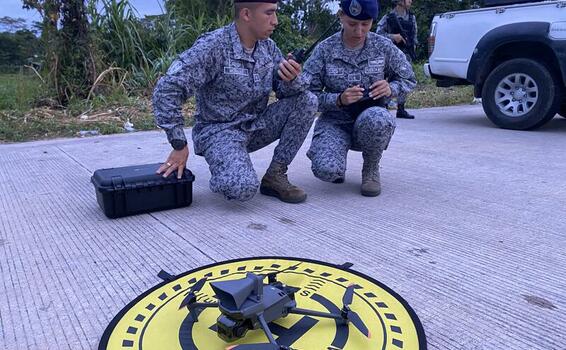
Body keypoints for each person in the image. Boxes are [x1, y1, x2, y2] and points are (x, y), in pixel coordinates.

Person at [152, 0, 318, 204]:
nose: (275, 21)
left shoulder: (268, 47)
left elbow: (284, 92)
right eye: (269, 13)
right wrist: (178, 143)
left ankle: (276, 174)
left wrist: (292, 79)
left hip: (256, 126)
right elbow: (167, 88)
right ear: (246, 14)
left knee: (307, 100)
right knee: (243, 189)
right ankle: (228, 164)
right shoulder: (213, 46)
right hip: (219, 132)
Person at [303, 0, 416, 197]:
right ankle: (337, 159)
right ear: (341, 17)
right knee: (327, 171)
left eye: (365, 24)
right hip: (335, 120)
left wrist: (391, 87)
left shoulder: (383, 46)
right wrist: (338, 99)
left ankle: (371, 168)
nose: (359, 31)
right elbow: (307, 95)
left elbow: (409, 78)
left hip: (370, 117)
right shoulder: (325, 49)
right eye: (352, 24)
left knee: (379, 119)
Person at [376, 0, 418, 119]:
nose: (410, 1)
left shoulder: (411, 18)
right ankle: (384, 107)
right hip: (390, 55)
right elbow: (378, 35)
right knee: (386, 80)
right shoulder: (388, 17)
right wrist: (393, 37)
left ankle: (401, 108)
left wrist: (413, 47)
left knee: (405, 79)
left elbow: (414, 36)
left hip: (406, 53)